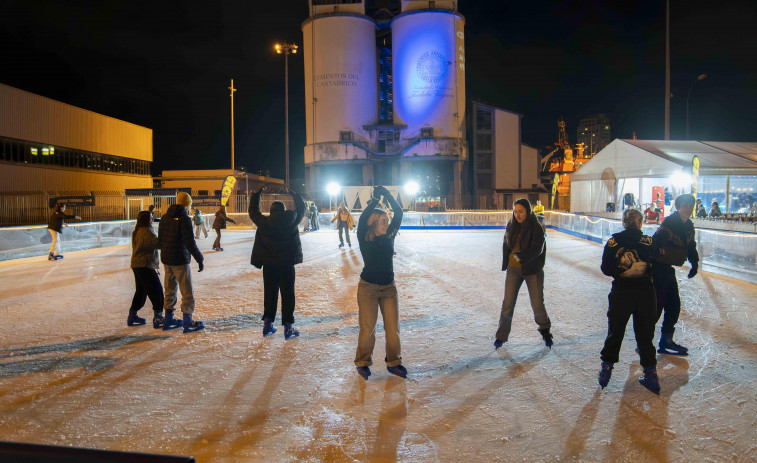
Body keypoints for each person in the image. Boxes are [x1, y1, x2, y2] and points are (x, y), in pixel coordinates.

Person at [597, 209, 660, 394]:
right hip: (646, 294)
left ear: (624, 222)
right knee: (645, 336)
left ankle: (605, 371)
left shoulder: (612, 242)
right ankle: (651, 375)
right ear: (640, 223)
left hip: (621, 294)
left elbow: (606, 269)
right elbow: (658, 262)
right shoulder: (649, 242)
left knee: (615, 332)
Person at [354, 185, 406, 380]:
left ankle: (394, 362)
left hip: (389, 289)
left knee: (393, 328)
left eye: (387, 221)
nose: (386, 223)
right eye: (382, 221)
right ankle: (363, 362)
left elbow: (398, 212)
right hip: (368, 288)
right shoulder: (364, 237)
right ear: (374, 223)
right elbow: (361, 219)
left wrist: (389, 196)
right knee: (367, 329)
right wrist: (376, 200)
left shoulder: (390, 234)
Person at [494, 198, 553, 349]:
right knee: (507, 304)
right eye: (515, 212)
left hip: (532, 270)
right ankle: (501, 336)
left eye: (521, 212)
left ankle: (545, 330)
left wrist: (522, 257)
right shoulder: (511, 225)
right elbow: (506, 242)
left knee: (537, 304)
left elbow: (538, 248)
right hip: (514, 270)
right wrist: (507, 260)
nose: (517, 215)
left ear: (528, 211)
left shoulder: (536, 227)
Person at [249, 187, 306, 340]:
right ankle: (288, 328)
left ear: (271, 211)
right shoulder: (293, 219)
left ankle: (267, 325)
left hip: (269, 266)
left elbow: (253, 212)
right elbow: (302, 208)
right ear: (284, 210)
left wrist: (257, 194)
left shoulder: (264, 223)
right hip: (287, 265)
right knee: (288, 295)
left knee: (270, 294)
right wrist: (295, 193)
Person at [652, 193, 698, 355]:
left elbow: (691, 245)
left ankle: (666, 340)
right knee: (657, 306)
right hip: (658, 268)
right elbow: (655, 240)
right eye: (685, 205)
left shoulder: (689, 225)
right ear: (678, 207)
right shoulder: (671, 222)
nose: (688, 208)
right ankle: (645, 340)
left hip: (667, 268)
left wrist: (694, 263)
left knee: (674, 305)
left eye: (691, 206)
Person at [158, 191, 205, 333]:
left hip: (167, 259)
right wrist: (199, 258)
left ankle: (168, 318)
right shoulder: (184, 219)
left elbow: (160, 240)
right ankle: (187, 320)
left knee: (169, 289)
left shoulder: (165, 217)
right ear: (186, 205)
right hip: (180, 260)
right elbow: (190, 242)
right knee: (186, 291)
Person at [128, 211, 165, 328]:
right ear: (146, 220)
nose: (152, 220)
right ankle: (158, 317)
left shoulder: (139, 230)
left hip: (137, 264)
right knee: (157, 291)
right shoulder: (146, 232)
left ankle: (132, 315)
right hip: (144, 265)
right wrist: (165, 232)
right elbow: (158, 244)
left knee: (141, 291)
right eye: (151, 218)